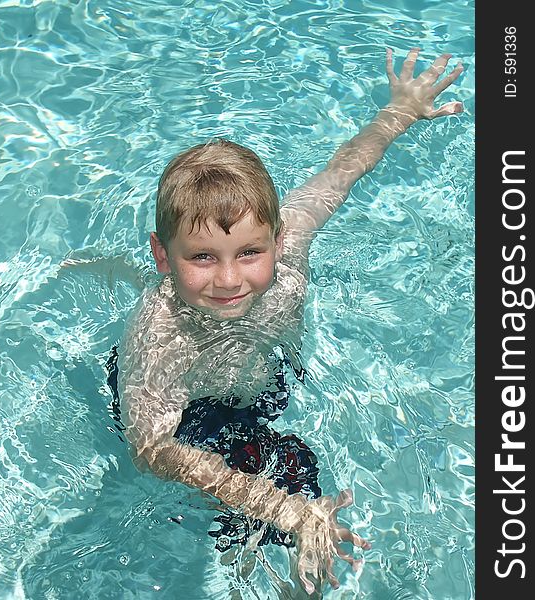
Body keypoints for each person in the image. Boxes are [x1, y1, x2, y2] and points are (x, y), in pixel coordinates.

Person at [110, 48, 464, 595]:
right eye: (202, 257)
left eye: (249, 253)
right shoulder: (160, 337)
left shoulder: (292, 238)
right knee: (291, 473)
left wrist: (401, 110)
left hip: (256, 372)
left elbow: (343, 171)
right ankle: (268, 577)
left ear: (278, 238)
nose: (230, 280)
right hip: (186, 411)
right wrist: (283, 509)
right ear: (162, 256)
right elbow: (151, 448)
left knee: (281, 440)